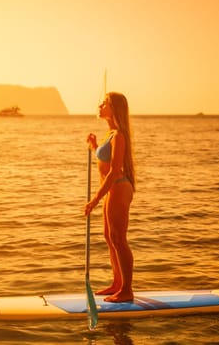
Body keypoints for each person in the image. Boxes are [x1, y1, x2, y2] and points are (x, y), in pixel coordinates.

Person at [84, 92, 136, 303]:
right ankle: (117, 283)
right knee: (110, 237)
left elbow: (114, 171)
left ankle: (127, 290)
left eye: (104, 103)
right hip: (111, 189)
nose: (99, 105)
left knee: (119, 239)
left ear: (114, 108)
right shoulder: (111, 134)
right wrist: (95, 147)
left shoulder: (120, 135)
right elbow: (105, 160)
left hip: (118, 188)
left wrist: (95, 199)